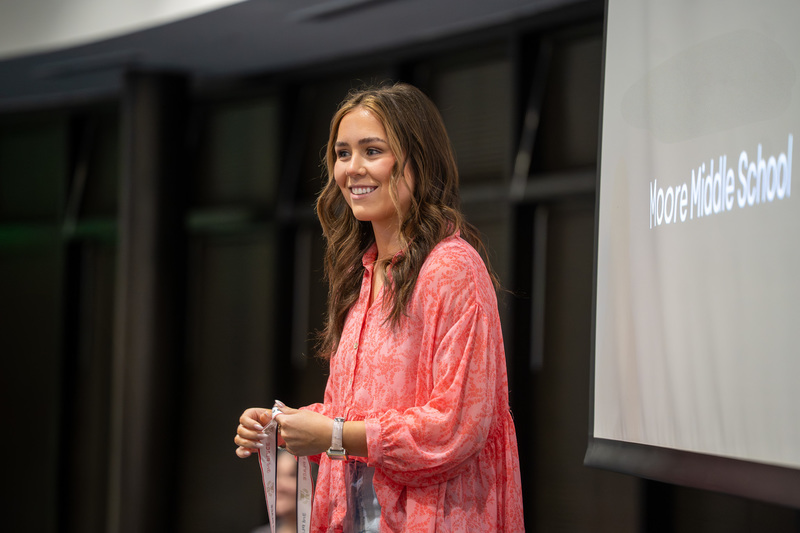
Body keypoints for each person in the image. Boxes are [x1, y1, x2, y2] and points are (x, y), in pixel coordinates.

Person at [235, 82, 524, 532]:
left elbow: (456, 426)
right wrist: (287, 424)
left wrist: (331, 434)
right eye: (342, 153)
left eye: (372, 151)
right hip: (357, 513)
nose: (352, 169)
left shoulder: (451, 268)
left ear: (418, 160)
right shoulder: (363, 271)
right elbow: (353, 412)